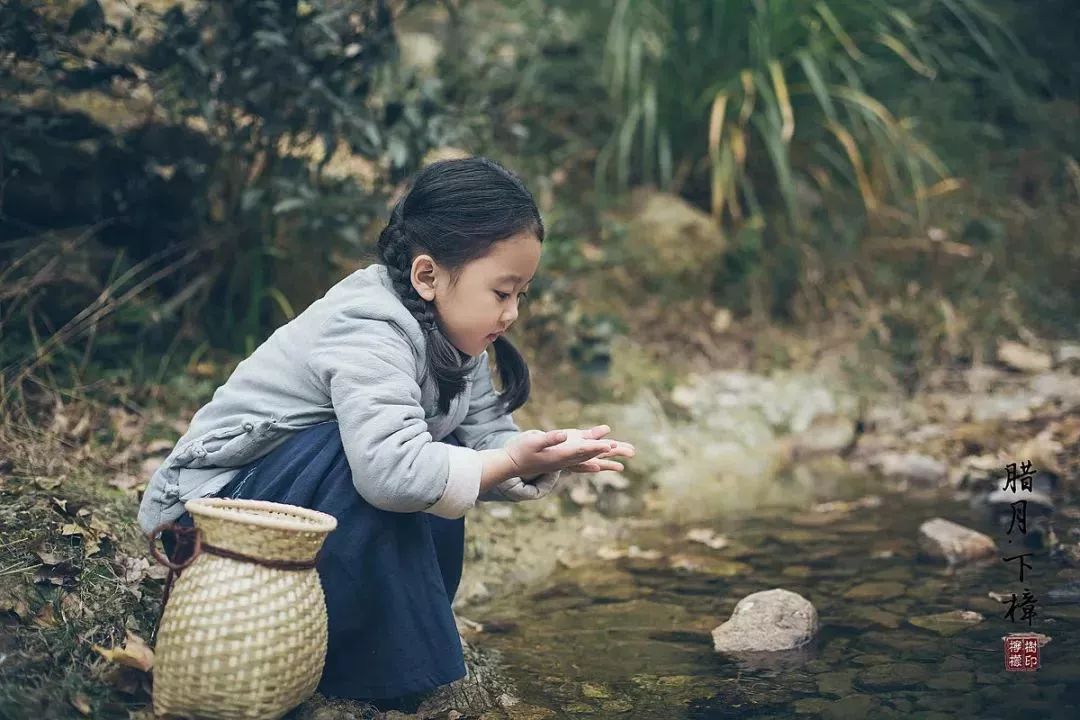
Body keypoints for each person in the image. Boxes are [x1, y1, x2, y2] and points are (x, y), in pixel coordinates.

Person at [137, 155, 636, 711]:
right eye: (502, 292)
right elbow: (390, 475)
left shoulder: (454, 332)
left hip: (292, 503)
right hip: (209, 521)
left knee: (433, 464)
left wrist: (537, 456)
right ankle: (386, 673)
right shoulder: (369, 325)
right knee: (392, 464)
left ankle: (376, 662)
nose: (513, 313)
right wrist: (506, 460)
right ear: (427, 275)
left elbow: (484, 442)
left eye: (522, 294)